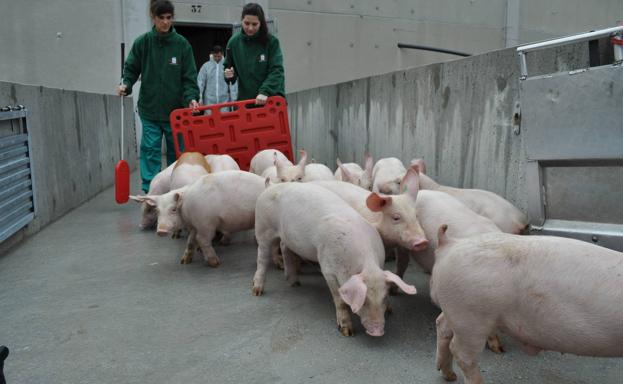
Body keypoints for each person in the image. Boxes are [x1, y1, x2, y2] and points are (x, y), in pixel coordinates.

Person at [117, 0, 199, 193]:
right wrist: (126, 84)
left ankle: (173, 191)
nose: (165, 22)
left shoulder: (182, 45)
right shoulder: (143, 43)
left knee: (176, 153)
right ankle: (151, 192)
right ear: (153, 18)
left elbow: (189, 77)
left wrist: (191, 97)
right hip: (150, 109)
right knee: (151, 150)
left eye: (169, 18)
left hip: (175, 111)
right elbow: (131, 69)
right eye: (161, 18)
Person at [223, 3, 285, 106]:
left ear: (261, 23)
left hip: (270, 100)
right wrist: (228, 74)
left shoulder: (271, 42)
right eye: (247, 23)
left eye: (254, 24)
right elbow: (228, 68)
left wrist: (265, 91)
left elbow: (277, 70)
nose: (250, 28)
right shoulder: (233, 43)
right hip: (246, 102)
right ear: (241, 21)